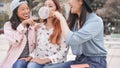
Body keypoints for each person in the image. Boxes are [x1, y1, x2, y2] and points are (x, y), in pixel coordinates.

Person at [50, 0, 107, 68]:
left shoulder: (95, 21)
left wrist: (61, 18)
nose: (69, 2)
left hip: (95, 63)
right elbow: (65, 37)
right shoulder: (75, 22)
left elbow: (72, 39)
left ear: (81, 1)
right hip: (79, 60)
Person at [26, 0, 69, 68]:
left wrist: (45, 60)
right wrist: (30, 56)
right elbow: (37, 48)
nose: (46, 8)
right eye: (45, 5)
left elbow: (63, 52)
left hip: (55, 62)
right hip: (39, 60)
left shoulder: (62, 28)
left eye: (50, 6)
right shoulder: (39, 27)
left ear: (56, 10)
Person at [0, 0, 36, 68]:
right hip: (16, 59)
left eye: (27, 8)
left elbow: (37, 45)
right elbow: (14, 42)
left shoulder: (33, 25)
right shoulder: (8, 25)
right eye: (23, 9)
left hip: (31, 58)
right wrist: (22, 25)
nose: (26, 11)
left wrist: (31, 56)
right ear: (15, 11)